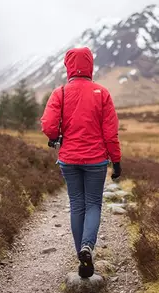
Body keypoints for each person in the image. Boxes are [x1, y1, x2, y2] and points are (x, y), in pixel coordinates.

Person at [40, 47, 122, 278]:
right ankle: (88, 247)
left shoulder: (61, 93)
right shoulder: (102, 92)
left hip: (68, 158)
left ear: (68, 66)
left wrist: (54, 137)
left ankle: (81, 255)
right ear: (90, 66)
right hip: (96, 160)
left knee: (77, 205)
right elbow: (111, 134)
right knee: (93, 204)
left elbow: (48, 124)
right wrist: (116, 162)